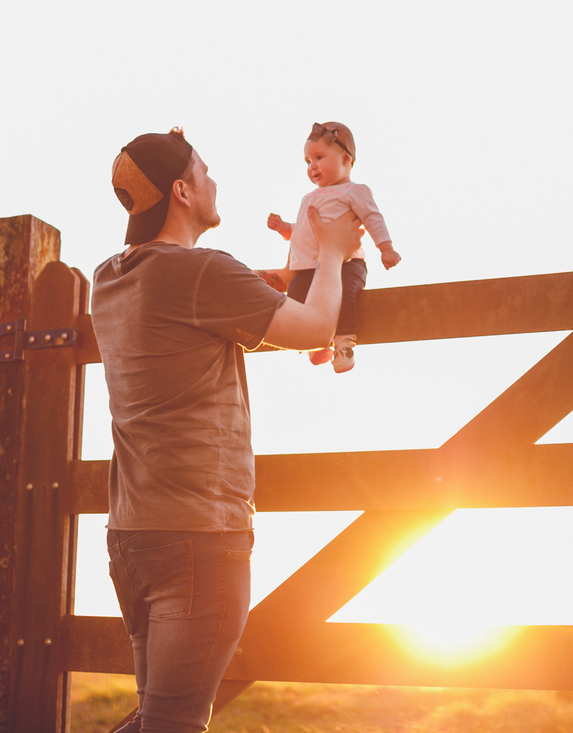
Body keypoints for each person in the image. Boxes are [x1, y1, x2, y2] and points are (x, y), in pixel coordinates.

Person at [89, 128, 363, 733]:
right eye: (205, 172)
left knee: (159, 718)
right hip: (199, 538)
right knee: (174, 724)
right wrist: (337, 250)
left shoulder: (107, 280)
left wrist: (254, 298)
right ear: (182, 192)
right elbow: (318, 327)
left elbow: (184, 335)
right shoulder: (202, 273)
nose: (216, 183)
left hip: (132, 537)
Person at [263, 121, 401, 373]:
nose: (312, 166)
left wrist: (386, 247)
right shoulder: (309, 197)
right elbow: (305, 231)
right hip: (305, 268)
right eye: (307, 162)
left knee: (345, 298)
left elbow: (372, 218)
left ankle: (344, 345)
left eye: (318, 157)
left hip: (346, 264)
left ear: (346, 158)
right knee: (295, 303)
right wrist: (285, 228)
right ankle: (317, 345)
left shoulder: (353, 191)